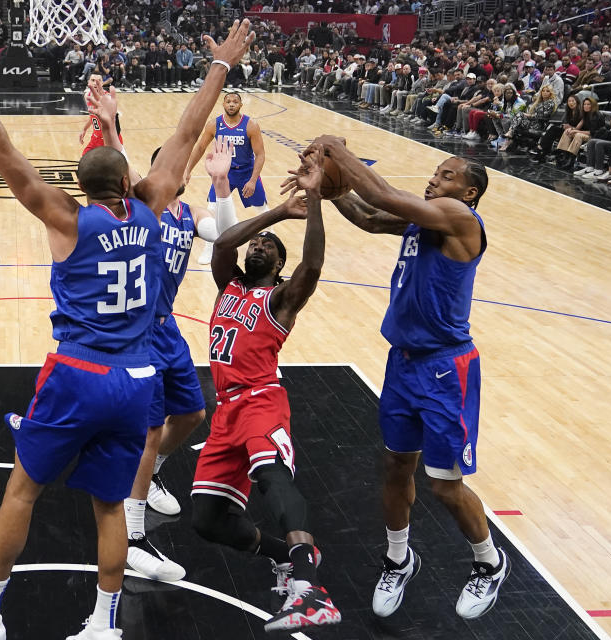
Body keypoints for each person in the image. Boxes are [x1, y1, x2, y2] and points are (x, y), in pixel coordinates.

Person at [0, 12, 254, 640]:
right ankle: (104, 625)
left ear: (79, 188)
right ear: (130, 183)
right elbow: (187, 131)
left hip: (80, 373)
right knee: (110, 503)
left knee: (23, 491)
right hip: (138, 379)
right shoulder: (154, 204)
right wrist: (219, 66)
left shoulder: (69, 221)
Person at [305, 135, 509, 621]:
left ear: (470, 193)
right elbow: (371, 216)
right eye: (436, 172)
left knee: (444, 486)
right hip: (403, 363)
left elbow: (383, 197)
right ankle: (399, 558)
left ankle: (489, 562)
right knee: (395, 468)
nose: (435, 178)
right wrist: (326, 190)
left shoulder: (461, 220)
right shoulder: (424, 220)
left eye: (447, 175)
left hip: (446, 368)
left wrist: (334, 148)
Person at [191, 147, 341, 632]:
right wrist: (275, 213)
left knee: (272, 476)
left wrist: (313, 200)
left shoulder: (278, 299)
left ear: (279, 265)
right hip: (225, 412)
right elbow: (221, 245)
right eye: (257, 245)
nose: (258, 248)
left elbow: (312, 267)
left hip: (260, 401)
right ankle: (290, 557)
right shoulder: (228, 285)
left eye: (269, 248)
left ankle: (310, 588)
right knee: (208, 520)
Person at [123, 138, 238, 582]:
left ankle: (150, 477)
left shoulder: (191, 214)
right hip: (138, 330)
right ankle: (133, 539)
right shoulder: (140, 208)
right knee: (151, 429)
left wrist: (222, 182)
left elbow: (227, 236)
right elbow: (127, 167)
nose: (181, 170)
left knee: (191, 412)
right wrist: (110, 125)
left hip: (167, 326)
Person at [183, 91, 269, 264]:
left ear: (240, 105)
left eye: (235, 101)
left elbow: (260, 155)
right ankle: (210, 249)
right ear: (223, 104)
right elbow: (200, 148)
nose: (231, 104)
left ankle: (270, 242)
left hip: (246, 171)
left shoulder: (250, 125)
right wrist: (187, 170)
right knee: (212, 209)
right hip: (224, 172)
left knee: (263, 209)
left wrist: (252, 180)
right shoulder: (214, 124)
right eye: (228, 101)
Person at [79, 73, 123, 158]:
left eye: (98, 81)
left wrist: (113, 140)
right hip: (95, 138)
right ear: (88, 82)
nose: (95, 83)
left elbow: (116, 124)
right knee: (84, 160)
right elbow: (92, 116)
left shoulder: (107, 98)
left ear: (102, 83)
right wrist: (84, 129)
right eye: (93, 80)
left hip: (109, 138)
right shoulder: (87, 95)